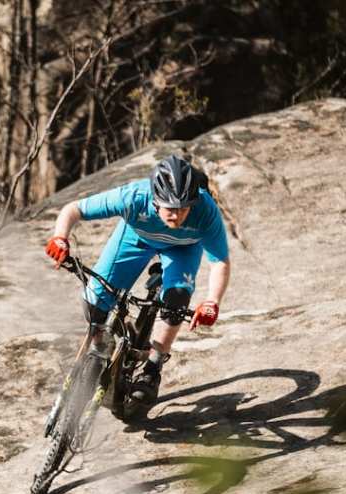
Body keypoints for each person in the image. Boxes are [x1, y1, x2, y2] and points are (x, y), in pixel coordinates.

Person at [45, 154, 231, 404]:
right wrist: (60, 238)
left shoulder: (205, 210)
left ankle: (153, 366)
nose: (176, 215)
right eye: (170, 208)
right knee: (95, 303)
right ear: (155, 200)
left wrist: (212, 302)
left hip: (183, 249)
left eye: (183, 208)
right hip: (136, 239)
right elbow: (74, 210)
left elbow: (219, 261)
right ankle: (101, 345)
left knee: (176, 302)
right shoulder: (134, 197)